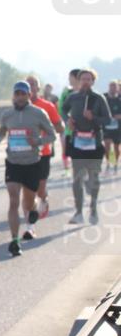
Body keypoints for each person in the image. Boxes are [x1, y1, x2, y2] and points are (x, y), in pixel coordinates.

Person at [0, 81, 56, 255]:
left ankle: (33, 211)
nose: (19, 97)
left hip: (32, 163)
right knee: (13, 200)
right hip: (13, 162)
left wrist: (38, 142)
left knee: (28, 201)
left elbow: (52, 134)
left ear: (28, 95)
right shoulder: (7, 114)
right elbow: (2, 130)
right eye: (17, 94)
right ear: (13, 95)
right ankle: (14, 240)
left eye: (23, 94)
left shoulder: (38, 113)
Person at [63, 69, 111, 225]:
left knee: (93, 180)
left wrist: (94, 118)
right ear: (78, 81)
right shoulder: (73, 97)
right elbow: (63, 110)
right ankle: (78, 213)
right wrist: (68, 119)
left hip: (94, 143)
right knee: (77, 179)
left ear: (93, 81)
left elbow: (107, 120)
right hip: (77, 142)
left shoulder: (99, 98)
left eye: (88, 79)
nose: (85, 81)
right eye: (83, 79)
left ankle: (93, 208)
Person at [27, 75, 65, 229]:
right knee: (29, 189)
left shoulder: (47, 106)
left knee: (40, 188)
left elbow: (59, 127)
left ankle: (43, 198)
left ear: (38, 87)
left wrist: (45, 128)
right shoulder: (17, 107)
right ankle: (31, 222)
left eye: (33, 85)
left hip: (43, 152)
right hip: (24, 155)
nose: (30, 87)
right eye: (27, 85)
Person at [58, 68, 82, 176]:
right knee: (70, 151)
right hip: (70, 128)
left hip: (86, 129)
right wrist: (67, 120)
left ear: (76, 77)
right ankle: (71, 170)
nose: (68, 79)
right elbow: (61, 108)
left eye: (70, 77)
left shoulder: (87, 91)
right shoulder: (66, 92)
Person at [104, 79, 121, 172]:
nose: (113, 88)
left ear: (118, 88)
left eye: (115, 86)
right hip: (106, 127)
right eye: (111, 86)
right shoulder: (104, 98)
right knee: (107, 146)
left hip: (118, 127)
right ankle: (109, 161)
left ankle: (115, 162)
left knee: (116, 147)